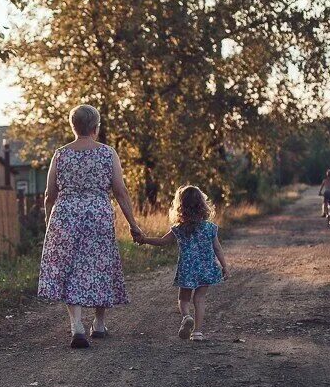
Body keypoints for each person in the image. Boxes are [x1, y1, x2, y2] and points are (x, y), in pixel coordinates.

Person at [37, 104, 143, 348]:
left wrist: (48, 221)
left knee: (70, 268)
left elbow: (49, 194)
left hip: (65, 216)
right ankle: (99, 322)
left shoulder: (60, 154)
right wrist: (133, 224)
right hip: (97, 216)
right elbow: (120, 191)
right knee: (99, 266)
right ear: (96, 127)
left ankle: (77, 326)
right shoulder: (107, 153)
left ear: (73, 126)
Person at [135, 186, 228, 342]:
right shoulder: (210, 228)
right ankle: (197, 332)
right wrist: (224, 266)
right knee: (199, 299)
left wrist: (144, 240)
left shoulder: (179, 228)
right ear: (202, 205)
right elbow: (217, 248)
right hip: (205, 268)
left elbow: (162, 242)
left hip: (187, 269)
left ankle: (186, 316)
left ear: (181, 206)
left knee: (183, 300)